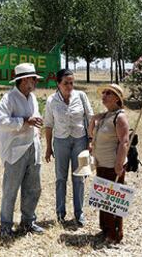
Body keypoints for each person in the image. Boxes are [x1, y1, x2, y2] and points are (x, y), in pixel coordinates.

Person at [0, 63, 45, 238]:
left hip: (33, 147)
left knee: (34, 188)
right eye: (34, 79)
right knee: (11, 189)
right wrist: (25, 121)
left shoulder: (31, 97)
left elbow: (34, 118)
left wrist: (37, 127)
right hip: (15, 151)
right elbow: (2, 122)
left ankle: (28, 222)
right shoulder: (8, 99)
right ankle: (5, 225)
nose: (36, 82)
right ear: (24, 80)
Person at [44, 69, 93, 226]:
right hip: (60, 142)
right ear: (58, 84)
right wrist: (48, 147)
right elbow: (49, 125)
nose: (69, 86)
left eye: (72, 83)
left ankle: (79, 214)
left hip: (80, 140)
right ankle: (60, 213)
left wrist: (90, 140)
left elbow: (90, 118)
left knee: (79, 178)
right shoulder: (52, 100)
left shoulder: (81, 96)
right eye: (66, 83)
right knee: (60, 178)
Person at [89, 83, 129, 244]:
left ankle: (114, 234)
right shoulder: (105, 115)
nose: (104, 96)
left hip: (113, 165)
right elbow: (90, 131)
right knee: (103, 198)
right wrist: (93, 120)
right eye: (103, 93)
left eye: (108, 93)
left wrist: (119, 163)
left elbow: (124, 142)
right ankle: (105, 229)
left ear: (117, 98)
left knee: (113, 201)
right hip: (102, 164)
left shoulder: (120, 117)